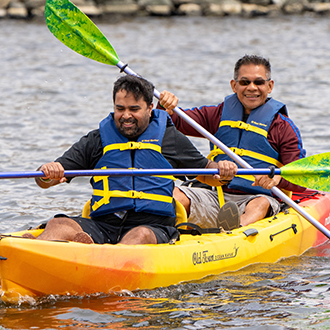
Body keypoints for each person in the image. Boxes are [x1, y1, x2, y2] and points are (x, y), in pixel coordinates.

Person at [27, 75, 238, 245]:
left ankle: (99, 261)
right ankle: (33, 255)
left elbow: (207, 173)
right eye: (120, 109)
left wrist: (222, 170)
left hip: (153, 227)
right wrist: (48, 172)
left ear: (150, 108)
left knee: (140, 236)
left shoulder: (169, 138)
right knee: (58, 224)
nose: (126, 115)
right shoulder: (98, 139)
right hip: (104, 224)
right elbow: (44, 181)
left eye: (134, 109)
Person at [158, 54, 306, 228]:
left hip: (260, 198)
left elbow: (300, 178)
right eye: (244, 82)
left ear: (270, 86)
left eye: (259, 82)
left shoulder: (283, 127)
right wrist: (165, 106)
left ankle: (235, 231)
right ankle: (164, 229)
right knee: (175, 194)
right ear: (234, 86)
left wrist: (277, 179)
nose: (252, 88)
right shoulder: (218, 115)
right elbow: (176, 122)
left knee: (259, 204)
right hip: (217, 196)